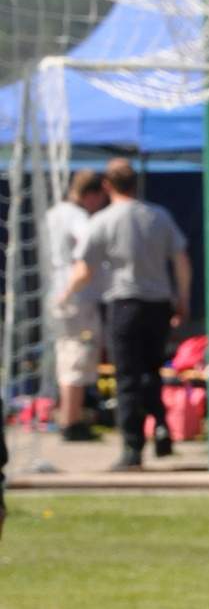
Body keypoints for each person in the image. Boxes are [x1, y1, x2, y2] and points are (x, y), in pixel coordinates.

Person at [65, 158, 191, 471]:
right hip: (158, 303)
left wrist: (64, 294)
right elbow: (181, 260)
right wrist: (182, 299)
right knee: (152, 370)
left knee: (127, 377)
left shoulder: (103, 220)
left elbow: (84, 269)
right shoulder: (159, 216)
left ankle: (133, 447)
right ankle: (161, 426)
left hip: (123, 303)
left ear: (107, 186)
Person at [45, 168, 107, 440]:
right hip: (76, 295)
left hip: (57, 290)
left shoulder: (53, 213)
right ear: (91, 195)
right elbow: (88, 250)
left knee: (65, 354)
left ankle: (68, 415)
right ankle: (71, 421)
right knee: (78, 356)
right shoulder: (79, 217)